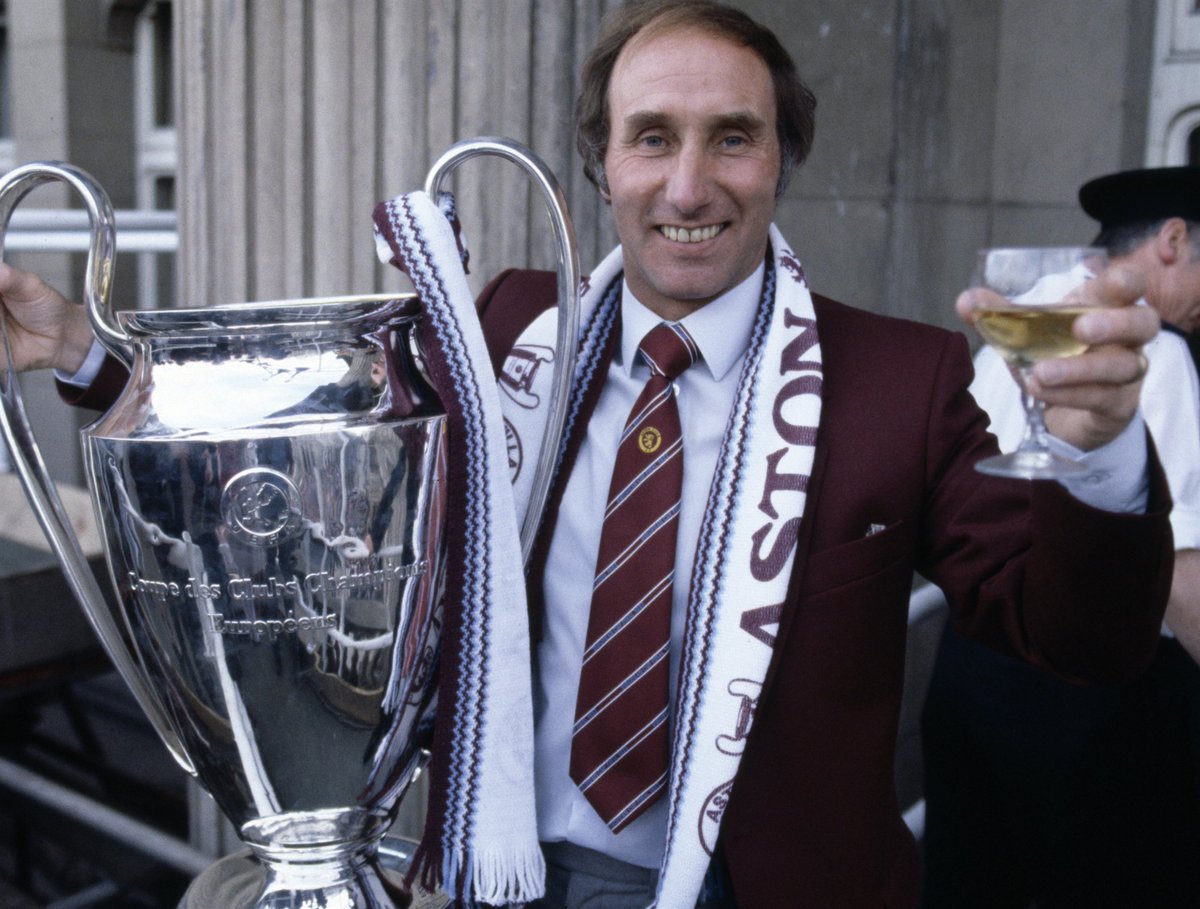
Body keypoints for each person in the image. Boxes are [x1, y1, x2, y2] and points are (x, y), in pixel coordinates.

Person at [0, 3, 1174, 907]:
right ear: (601, 161)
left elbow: (1076, 637)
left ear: (783, 156)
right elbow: (306, 470)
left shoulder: (897, 380)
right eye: (651, 138)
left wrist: (1103, 457)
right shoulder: (506, 329)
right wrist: (81, 357)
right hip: (494, 868)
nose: (688, 185)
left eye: (733, 139)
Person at [921, 167, 1200, 909]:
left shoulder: (1017, 328)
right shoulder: (1149, 353)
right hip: (1088, 698)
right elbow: (1176, 573)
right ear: (1174, 241)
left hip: (969, 672)